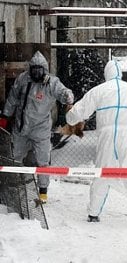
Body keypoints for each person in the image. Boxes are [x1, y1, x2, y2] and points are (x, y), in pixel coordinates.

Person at [66, 60, 127, 222]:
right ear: (120, 73)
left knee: (102, 173)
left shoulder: (98, 91)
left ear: (106, 74)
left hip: (107, 136)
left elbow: (78, 113)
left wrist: (69, 116)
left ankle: (94, 213)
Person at [0, 51, 74, 203]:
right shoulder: (23, 79)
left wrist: (68, 96)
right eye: (34, 69)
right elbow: (12, 98)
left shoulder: (51, 83)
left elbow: (63, 92)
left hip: (41, 130)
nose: (36, 73)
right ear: (30, 69)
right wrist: (5, 116)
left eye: (39, 70)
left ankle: (43, 192)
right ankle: (13, 187)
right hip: (21, 129)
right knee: (14, 158)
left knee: (43, 161)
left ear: (44, 70)